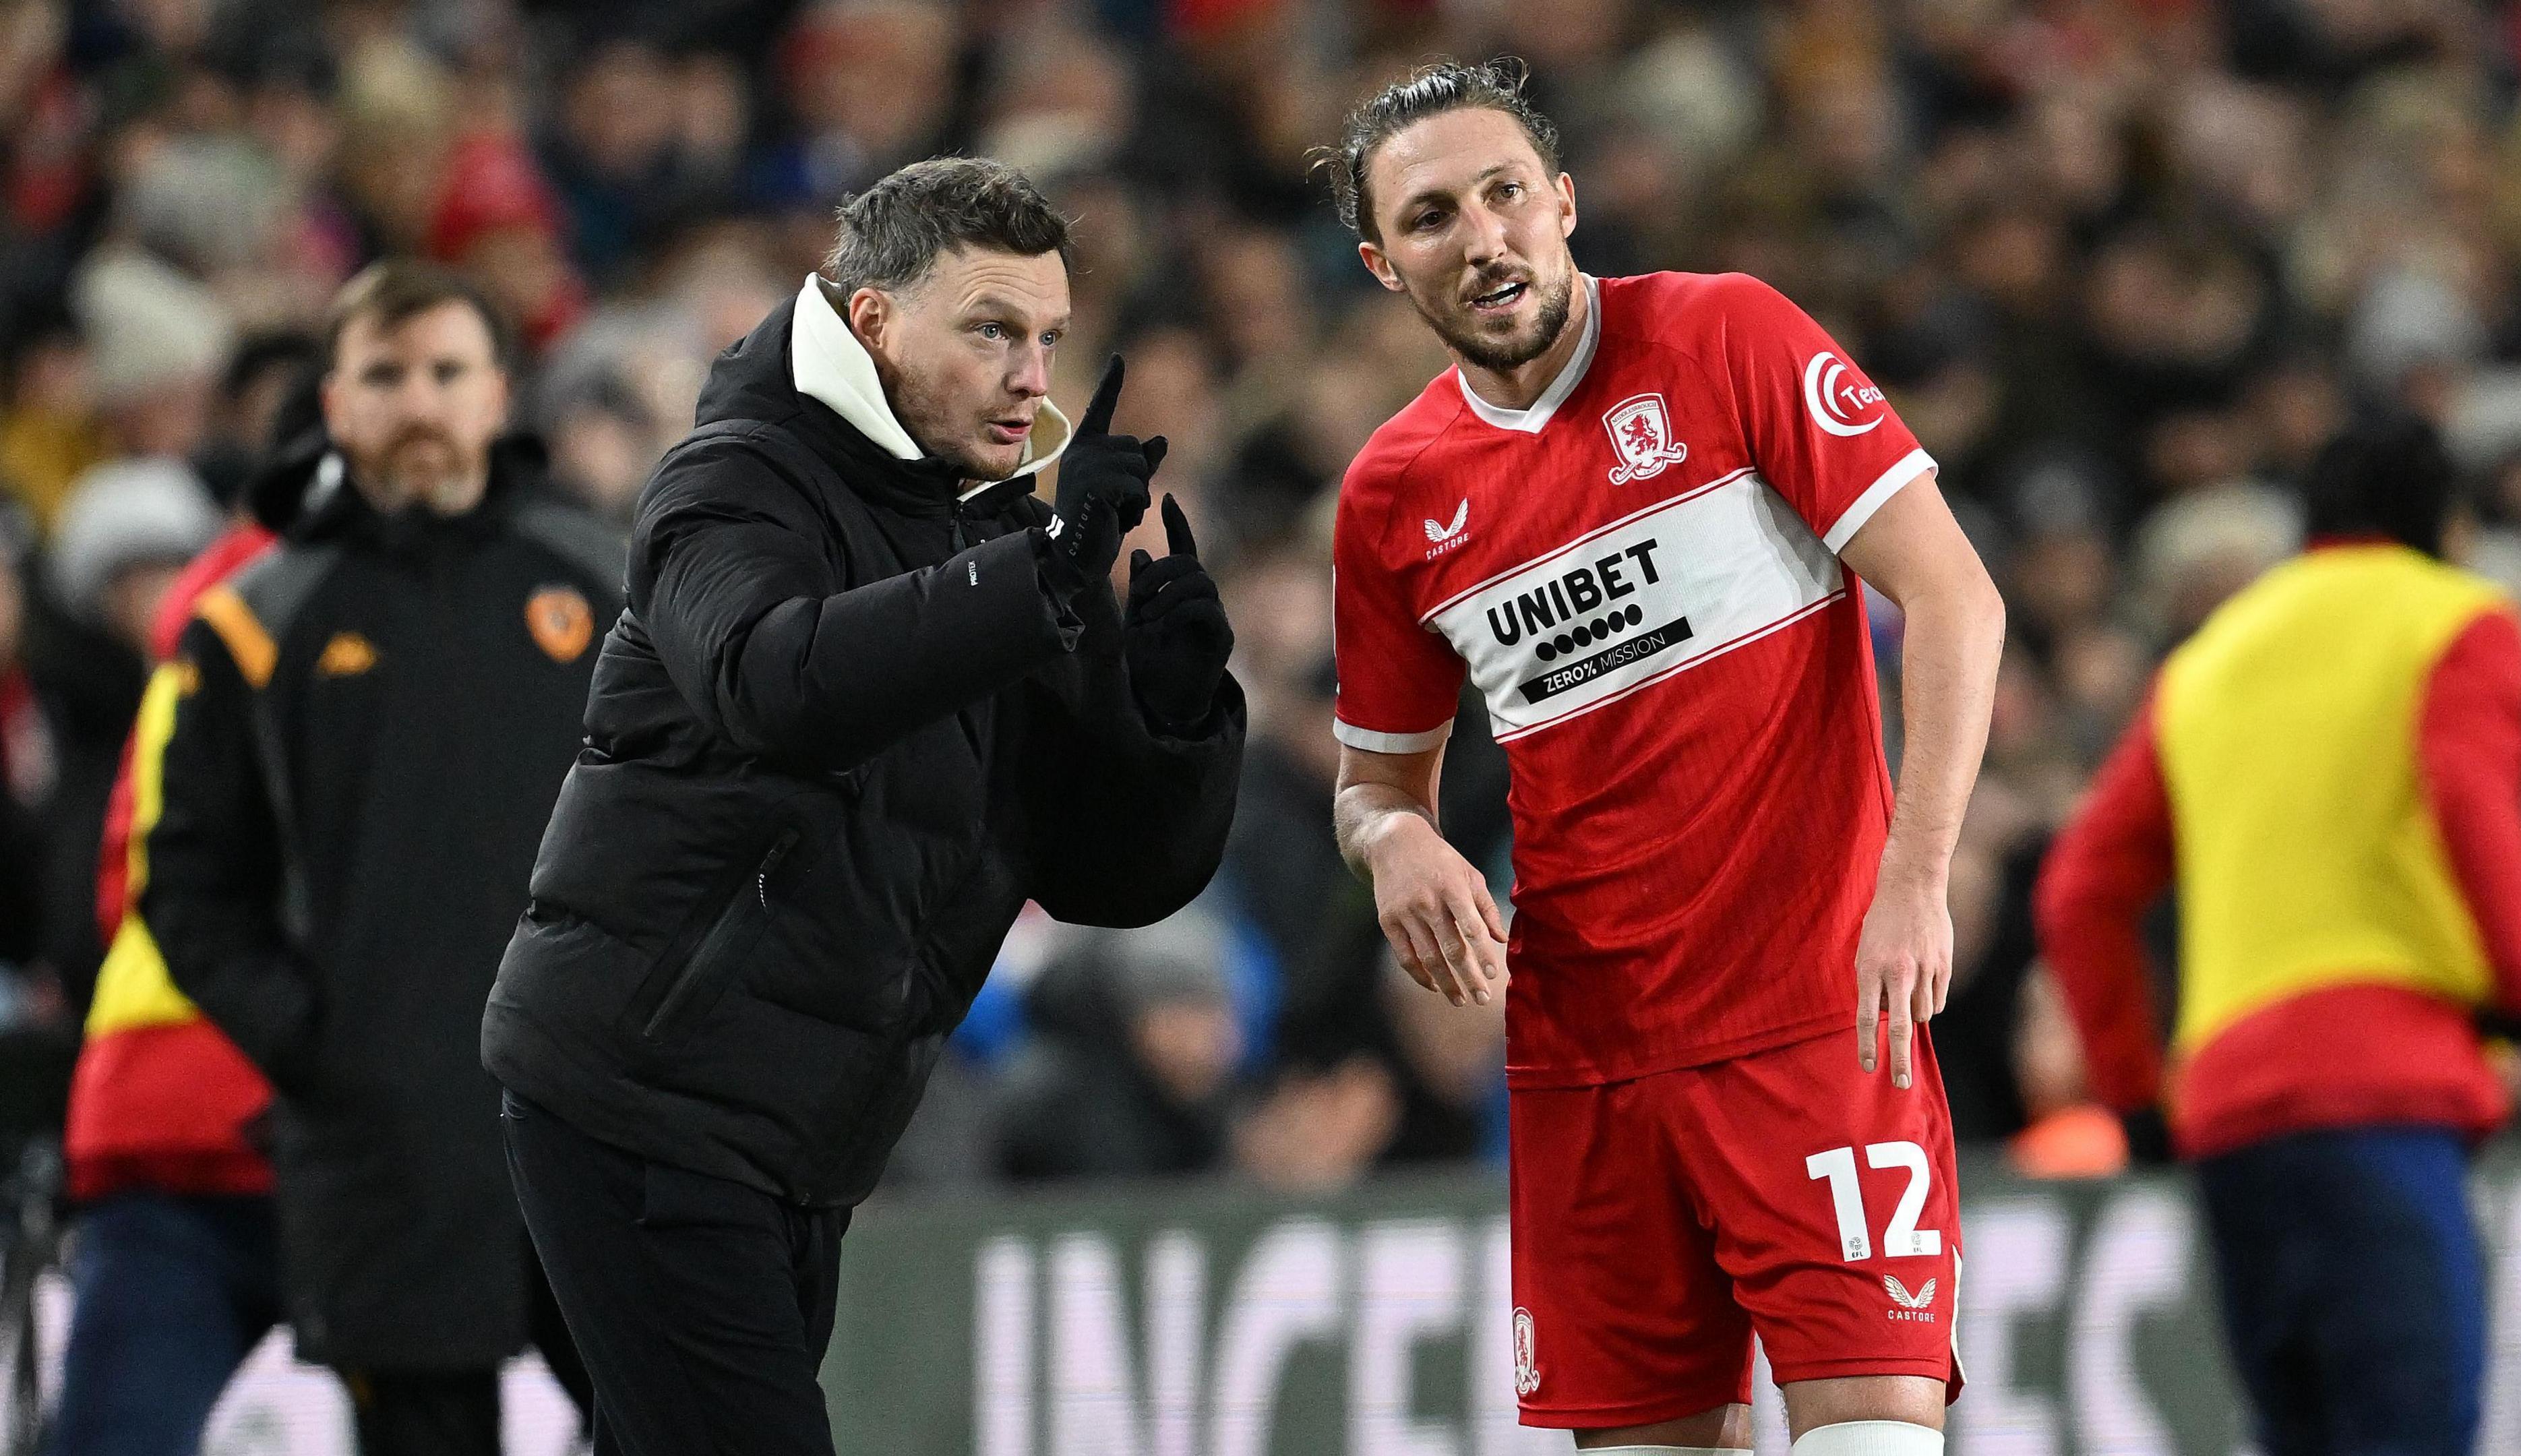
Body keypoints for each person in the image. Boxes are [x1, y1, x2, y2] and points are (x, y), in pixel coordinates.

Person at [482, 156, 1244, 1455]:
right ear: (875, 321)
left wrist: (1171, 721)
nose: (1032, 378)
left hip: (802, 1140)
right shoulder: (733, 479)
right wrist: (1040, 580)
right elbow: (776, 682)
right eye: (991, 331)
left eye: (1049, 338)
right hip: (643, 1098)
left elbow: (1104, 876)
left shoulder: (1000, 540)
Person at [1321, 61, 2005, 1455]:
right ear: (1384, 266)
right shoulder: (1392, 494)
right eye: (1434, 216)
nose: (1484, 237)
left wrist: (1915, 877)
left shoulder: (1724, 335)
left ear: (1565, 203)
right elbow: (1374, 785)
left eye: (1506, 193)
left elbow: (1952, 595)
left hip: (1816, 1010)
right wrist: (1395, 843)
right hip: (1587, 1058)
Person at [139, 260, 612, 1455]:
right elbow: (186, 884)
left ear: (498, 393)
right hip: (387, 1150)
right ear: (336, 404)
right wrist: (321, 1046)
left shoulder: (610, 581)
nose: (419, 403)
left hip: (608, 1122)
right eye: (386, 375)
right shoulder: (254, 620)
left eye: (448, 372)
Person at [2036, 416, 2521, 1456]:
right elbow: (2469, 797)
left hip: (2235, 1123)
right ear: (2448, 526)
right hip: (2383, 1095)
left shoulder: (2208, 662)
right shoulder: (2458, 617)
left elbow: (2079, 891)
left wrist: (2135, 1094)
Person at [50, 384, 288, 1456]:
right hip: (368, 1131)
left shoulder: (195, 637)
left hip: (158, 1117)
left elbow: (113, 899)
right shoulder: (457, 615)